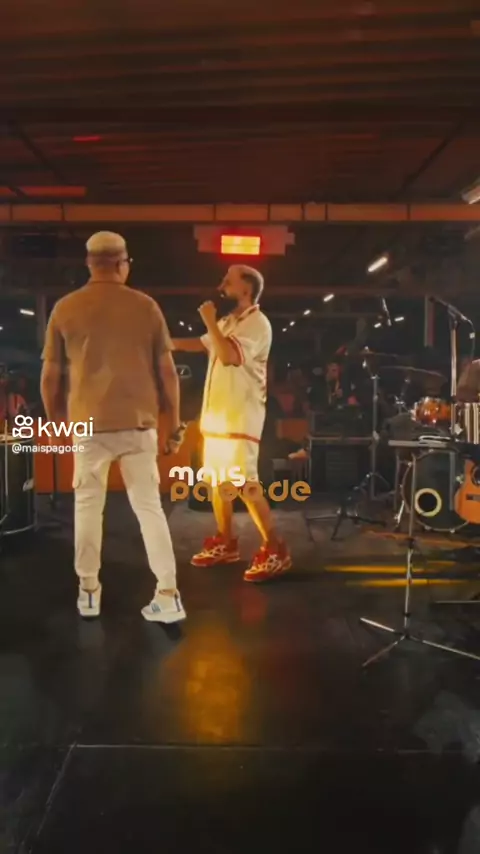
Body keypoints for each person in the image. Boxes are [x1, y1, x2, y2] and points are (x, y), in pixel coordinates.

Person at [40, 231, 186, 622]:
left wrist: (56, 425)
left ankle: (88, 591)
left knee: (88, 508)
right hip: (139, 424)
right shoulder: (146, 306)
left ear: (89, 264)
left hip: (88, 425)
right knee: (149, 508)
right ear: (123, 264)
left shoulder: (66, 308)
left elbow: (50, 378)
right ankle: (168, 595)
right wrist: (174, 424)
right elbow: (168, 374)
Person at [172, 265, 291, 582]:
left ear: (247, 289)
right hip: (218, 418)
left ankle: (276, 548)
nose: (221, 286)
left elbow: (228, 356)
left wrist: (210, 321)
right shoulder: (228, 322)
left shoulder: (257, 323)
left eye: (228, 281)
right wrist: (165, 342)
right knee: (217, 482)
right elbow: (204, 344)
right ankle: (226, 541)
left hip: (240, 416)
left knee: (244, 484)